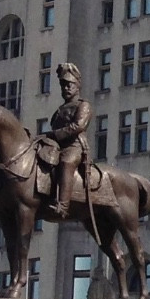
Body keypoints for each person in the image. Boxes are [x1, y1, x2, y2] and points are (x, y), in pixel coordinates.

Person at [45, 62, 92, 220]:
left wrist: (55, 134)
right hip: (57, 147)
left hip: (75, 146)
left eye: (69, 85)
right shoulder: (59, 110)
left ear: (77, 85)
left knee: (66, 162)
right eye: (63, 85)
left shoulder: (83, 105)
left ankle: (63, 206)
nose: (65, 88)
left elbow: (78, 126)